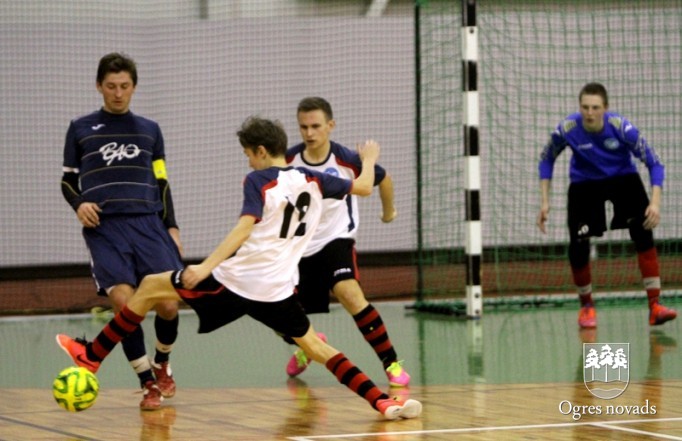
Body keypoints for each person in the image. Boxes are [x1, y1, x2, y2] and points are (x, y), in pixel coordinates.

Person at [57, 116, 422, 420]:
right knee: (316, 347)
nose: (248, 162)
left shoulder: (259, 180)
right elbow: (364, 187)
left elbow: (244, 226)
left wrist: (205, 267)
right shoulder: (314, 180)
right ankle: (383, 402)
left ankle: (91, 357)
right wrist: (369, 158)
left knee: (151, 285)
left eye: (248, 155)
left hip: (237, 282)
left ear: (261, 151)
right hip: (278, 290)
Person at [60, 52, 184, 409]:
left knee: (168, 303)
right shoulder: (80, 128)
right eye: (111, 86)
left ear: (134, 87)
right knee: (125, 303)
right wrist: (79, 204)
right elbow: (67, 181)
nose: (118, 93)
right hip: (106, 228)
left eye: (124, 86)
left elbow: (162, 182)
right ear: (99, 86)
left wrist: (172, 226)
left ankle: (162, 363)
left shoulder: (150, 130)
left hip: (149, 224)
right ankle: (147, 384)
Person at [283, 97, 409, 387]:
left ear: (331, 125)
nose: (309, 133)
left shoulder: (346, 160)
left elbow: (384, 178)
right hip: (297, 246)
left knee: (350, 294)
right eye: (303, 127)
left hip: (335, 239)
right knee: (275, 307)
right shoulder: (289, 161)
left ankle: (392, 364)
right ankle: (308, 346)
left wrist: (388, 212)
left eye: (316, 126)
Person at [537, 82, 677, 329]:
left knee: (643, 233)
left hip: (623, 179)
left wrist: (655, 203)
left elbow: (655, 163)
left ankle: (655, 306)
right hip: (584, 184)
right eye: (585, 107)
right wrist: (545, 202)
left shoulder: (622, 128)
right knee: (578, 244)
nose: (589, 113)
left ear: (606, 108)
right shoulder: (567, 129)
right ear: (579, 107)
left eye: (595, 108)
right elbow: (546, 159)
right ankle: (586, 307)